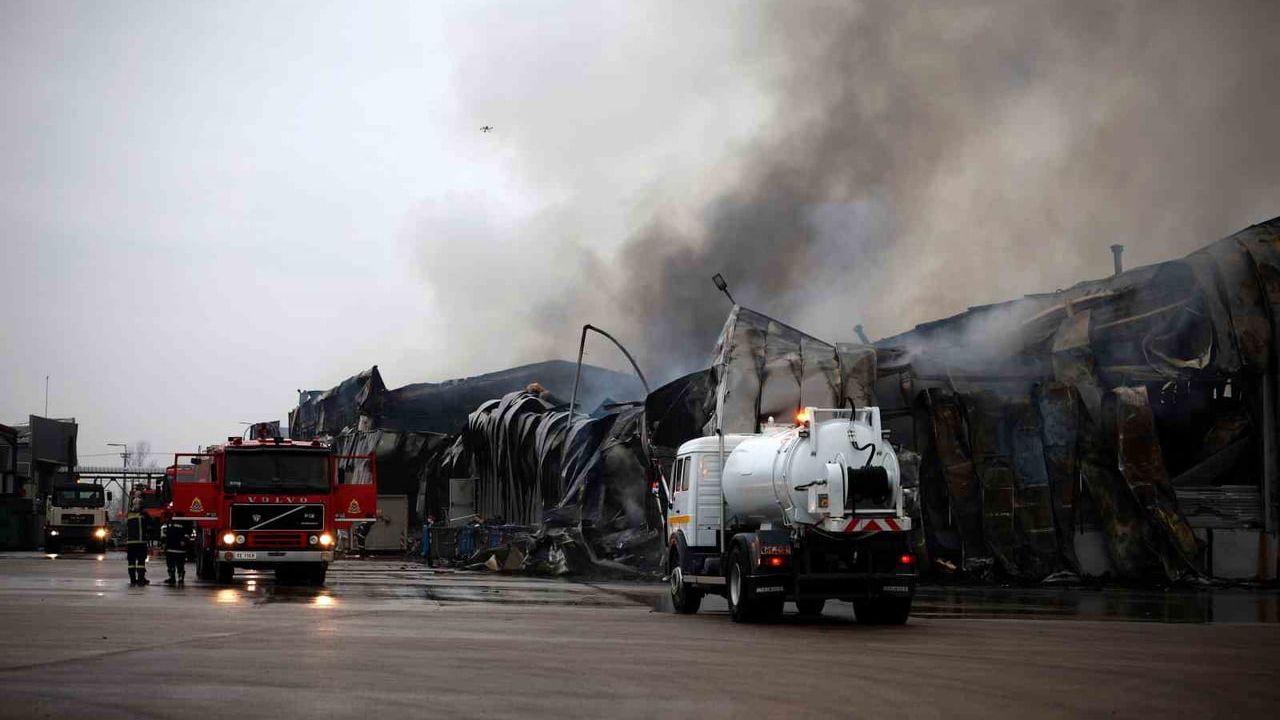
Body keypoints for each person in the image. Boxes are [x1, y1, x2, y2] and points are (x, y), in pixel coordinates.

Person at [125, 496, 149, 586]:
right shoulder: (144, 515)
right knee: (141, 561)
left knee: (131, 562)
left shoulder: (129, 515)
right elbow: (150, 523)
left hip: (130, 543)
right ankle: (140, 579)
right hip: (140, 542)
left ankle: (132, 579)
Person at [159, 511, 188, 585]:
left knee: (174, 564)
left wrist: (164, 544)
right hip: (176, 549)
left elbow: (165, 535)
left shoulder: (170, 522)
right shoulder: (183, 522)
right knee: (176, 564)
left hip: (174, 548)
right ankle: (177, 577)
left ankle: (175, 577)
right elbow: (187, 534)